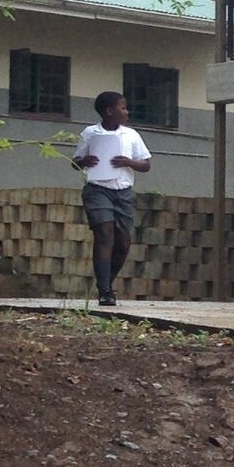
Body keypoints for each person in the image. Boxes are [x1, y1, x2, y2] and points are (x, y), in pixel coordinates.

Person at [71, 91, 152, 306]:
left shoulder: (131, 135)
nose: (127, 112)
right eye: (123, 108)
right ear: (109, 111)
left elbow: (146, 164)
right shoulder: (90, 133)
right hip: (97, 189)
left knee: (123, 243)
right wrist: (84, 160)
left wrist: (129, 162)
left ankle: (106, 280)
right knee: (105, 234)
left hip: (123, 193)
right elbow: (75, 161)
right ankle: (105, 290)